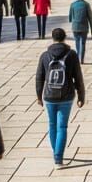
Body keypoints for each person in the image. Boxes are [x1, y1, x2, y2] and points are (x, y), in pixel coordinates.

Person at [35, 27, 86, 166]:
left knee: (52, 125)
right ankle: (58, 158)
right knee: (62, 127)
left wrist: (39, 96)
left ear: (53, 38)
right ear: (64, 38)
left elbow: (39, 77)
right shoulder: (71, 54)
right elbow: (78, 77)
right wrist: (81, 96)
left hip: (49, 95)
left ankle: (56, 153)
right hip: (66, 95)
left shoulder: (45, 55)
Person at [68, 0, 92, 64]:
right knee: (83, 43)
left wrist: (71, 20)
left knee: (77, 42)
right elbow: (91, 18)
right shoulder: (86, 4)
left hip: (75, 27)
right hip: (84, 27)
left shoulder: (73, 4)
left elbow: (70, 16)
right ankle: (82, 59)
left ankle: (78, 57)